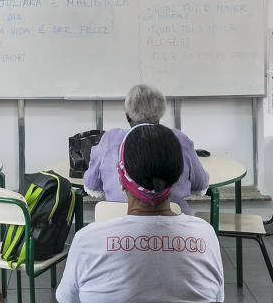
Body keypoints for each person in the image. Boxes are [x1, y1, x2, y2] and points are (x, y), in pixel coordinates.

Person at [57, 123, 224, 303]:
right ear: (176, 179)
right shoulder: (206, 237)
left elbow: (67, 299)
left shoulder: (87, 242)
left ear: (121, 179)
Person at [83, 84, 209, 214]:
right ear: (160, 113)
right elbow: (200, 184)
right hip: (174, 223)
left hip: (115, 220)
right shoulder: (179, 139)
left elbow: (92, 185)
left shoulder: (110, 139)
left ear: (128, 116)